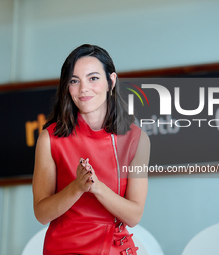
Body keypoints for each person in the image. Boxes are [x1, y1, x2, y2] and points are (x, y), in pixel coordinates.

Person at [32, 44, 150, 255]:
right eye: (74, 81)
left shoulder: (136, 139)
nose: (83, 88)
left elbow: (134, 216)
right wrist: (77, 187)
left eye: (93, 78)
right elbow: (42, 214)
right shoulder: (49, 139)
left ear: (111, 81)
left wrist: (97, 187)